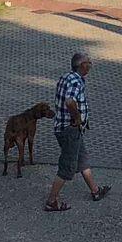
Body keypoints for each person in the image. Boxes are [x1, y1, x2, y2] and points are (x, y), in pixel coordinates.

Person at [44, 50, 110, 212]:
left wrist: (82, 121)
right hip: (70, 130)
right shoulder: (75, 82)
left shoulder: (67, 77)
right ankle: (51, 201)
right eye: (89, 62)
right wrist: (78, 118)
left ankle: (95, 191)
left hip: (69, 128)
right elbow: (69, 101)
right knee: (67, 167)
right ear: (81, 65)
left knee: (82, 160)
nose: (90, 65)